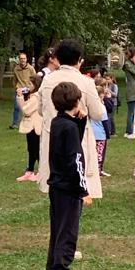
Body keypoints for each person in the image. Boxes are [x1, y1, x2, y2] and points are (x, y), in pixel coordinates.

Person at [37, 39, 105, 204]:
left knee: (56, 187)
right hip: (76, 139)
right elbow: (98, 113)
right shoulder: (85, 82)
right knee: (75, 184)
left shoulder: (48, 80)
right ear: (79, 59)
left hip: (53, 137)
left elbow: (40, 109)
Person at [45, 81, 92, 270]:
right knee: (67, 233)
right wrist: (83, 190)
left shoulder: (59, 122)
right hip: (69, 188)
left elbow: (73, 142)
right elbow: (75, 160)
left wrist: (81, 121)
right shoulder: (69, 127)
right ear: (76, 101)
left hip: (57, 186)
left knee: (58, 231)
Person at [16, 73, 44, 181]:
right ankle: (30, 171)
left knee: (36, 149)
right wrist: (21, 97)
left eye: (30, 84)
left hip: (35, 126)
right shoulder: (32, 95)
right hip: (30, 126)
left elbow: (26, 110)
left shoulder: (36, 97)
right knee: (31, 149)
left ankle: (42, 172)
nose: (28, 86)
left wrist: (20, 97)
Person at [10, 52, 36, 129]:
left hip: (29, 90)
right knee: (16, 107)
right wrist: (16, 88)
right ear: (19, 59)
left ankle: (31, 123)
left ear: (26, 59)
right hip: (19, 90)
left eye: (24, 58)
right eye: (21, 58)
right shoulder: (16, 69)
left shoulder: (30, 68)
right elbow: (14, 80)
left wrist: (31, 88)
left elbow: (35, 79)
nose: (22, 60)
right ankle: (15, 124)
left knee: (30, 108)